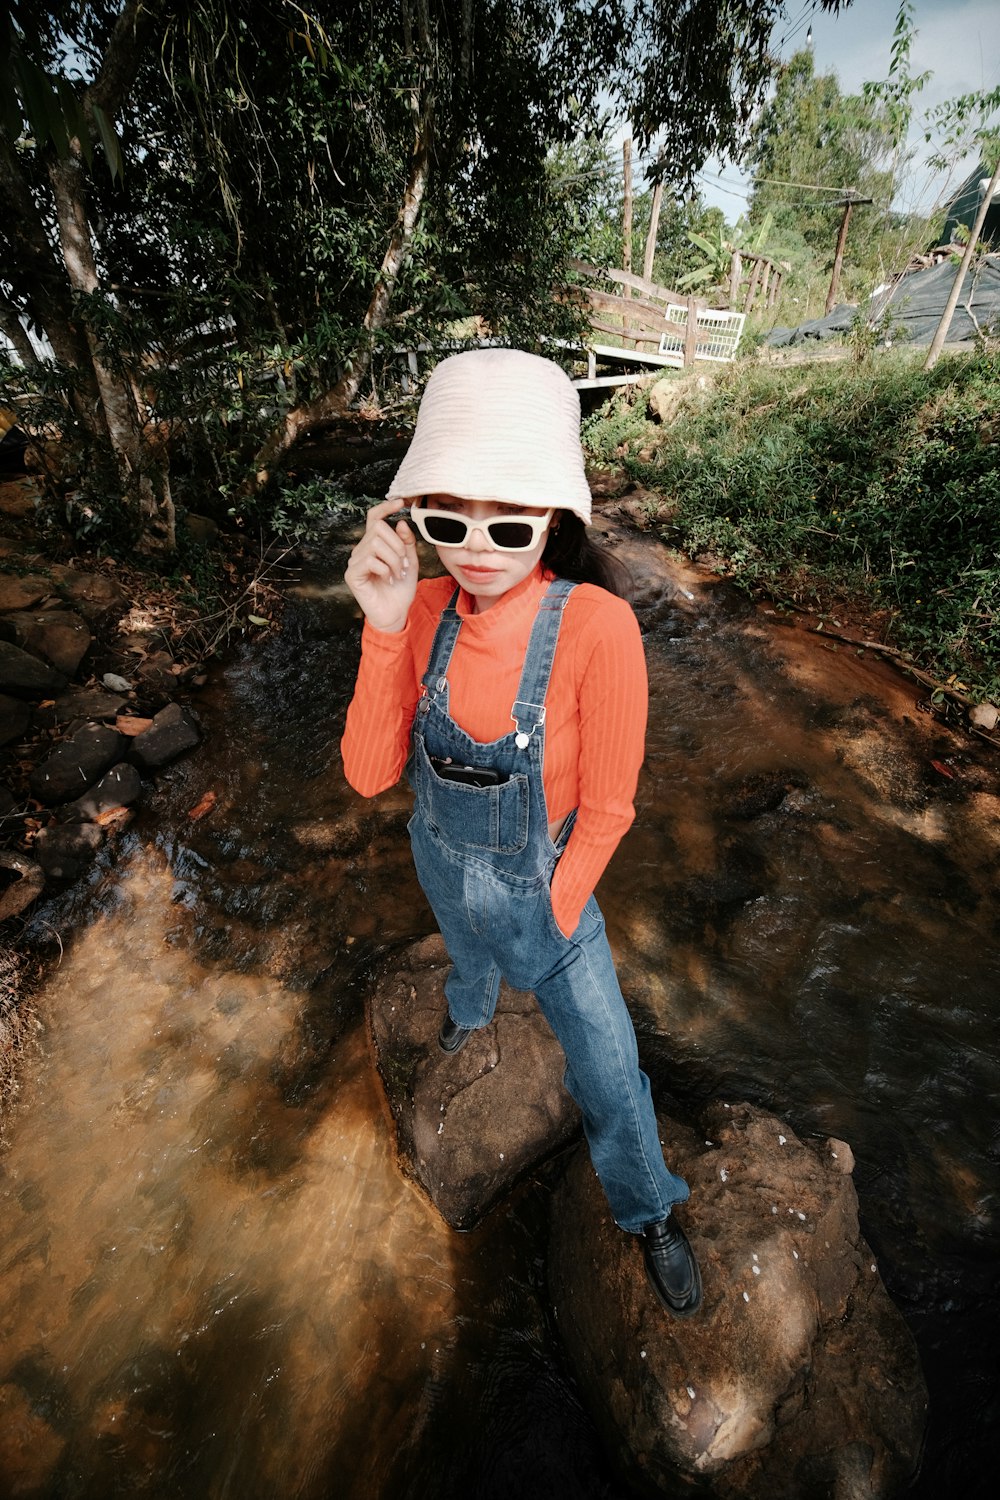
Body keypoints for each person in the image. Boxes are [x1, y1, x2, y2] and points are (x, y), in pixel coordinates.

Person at [341, 348, 701, 1317]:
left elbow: (614, 807)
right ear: (413, 516)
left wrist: (556, 901)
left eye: (508, 522)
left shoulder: (595, 628)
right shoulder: (417, 612)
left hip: (547, 879)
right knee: (464, 957)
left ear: (554, 518)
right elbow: (372, 774)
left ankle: (648, 1208)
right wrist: (380, 626)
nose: (475, 547)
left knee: (607, 1063)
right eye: (444, 519)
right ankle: (466, 1010)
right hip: (440, 853)